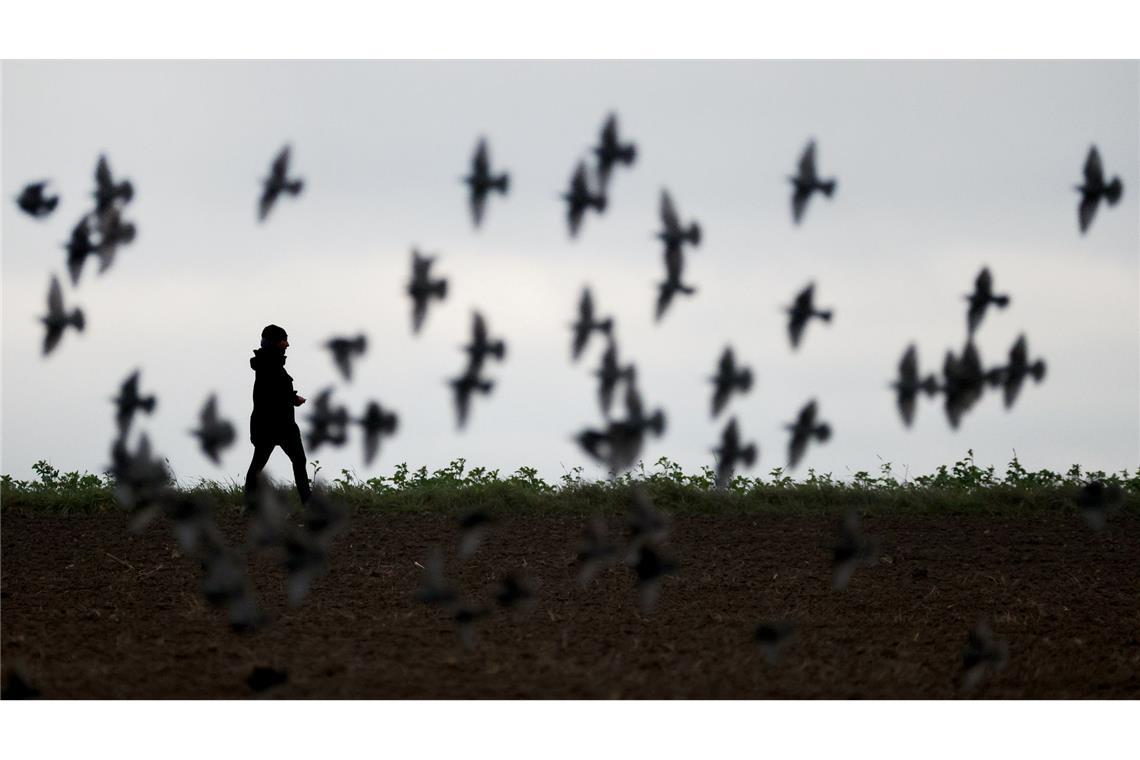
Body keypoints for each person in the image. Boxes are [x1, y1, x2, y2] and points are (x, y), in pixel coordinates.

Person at [244, 324, 310, 506]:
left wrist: (292, 397)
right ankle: (308, 503)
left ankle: (249, 504)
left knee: (258, 465)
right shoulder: (271, 366)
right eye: (283, 340)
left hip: (267, 426)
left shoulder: (267, 365)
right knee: (297, 461)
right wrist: (293, 398)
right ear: (274, 343)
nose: (287, 344)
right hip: (280, 426)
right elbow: (275, 393)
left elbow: (274, 393)